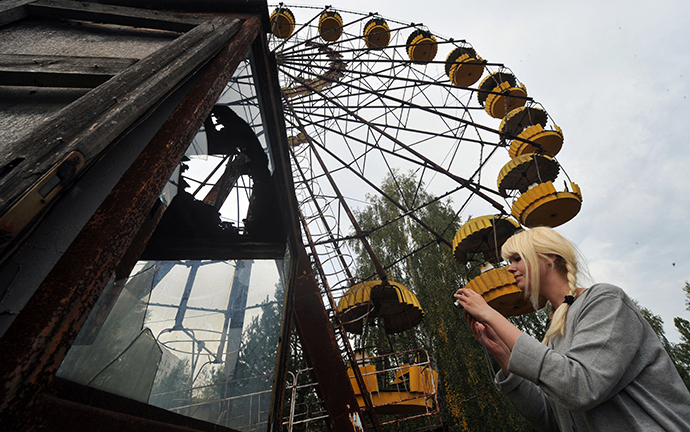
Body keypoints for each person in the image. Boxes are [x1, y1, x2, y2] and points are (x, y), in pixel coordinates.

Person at [454, 226, 690, 431]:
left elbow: (580, 388)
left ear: (549, 257)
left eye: (517, 258)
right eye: (509, 262)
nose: (509, 268)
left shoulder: (605, 301)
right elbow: (553, 419)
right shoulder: (555, 328)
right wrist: (504, 355)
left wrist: (491, 314)